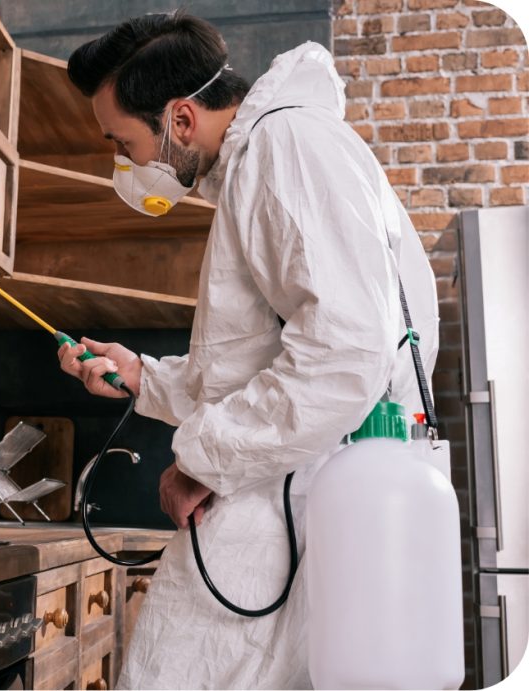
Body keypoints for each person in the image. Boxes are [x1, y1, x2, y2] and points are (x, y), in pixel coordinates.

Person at [57, 11, 440, 690]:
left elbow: (344, 354)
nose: (128, 163)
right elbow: (257, 361)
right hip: (301, 499)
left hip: (289, 508)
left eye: (123, 142)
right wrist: (141, 376)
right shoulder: (268, 157)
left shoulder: (284, 147)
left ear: (180, 119)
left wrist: (202, 462)